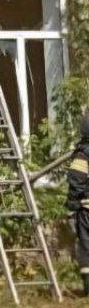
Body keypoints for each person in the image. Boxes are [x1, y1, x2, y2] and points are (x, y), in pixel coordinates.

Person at [68, 114, 89, 297]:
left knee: (86, 247)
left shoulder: (83, 155)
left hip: (87, 211)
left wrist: (72, 203)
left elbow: (77, 181)